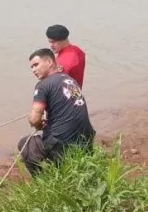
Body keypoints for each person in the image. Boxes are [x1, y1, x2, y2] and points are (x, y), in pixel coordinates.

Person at [17, 48, 96, 177]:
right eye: (31, 67)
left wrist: (37, 124)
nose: (33, 70)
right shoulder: (69, 79)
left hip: (63, 144)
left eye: (36, 65)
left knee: (26, 144)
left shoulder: (43, 85)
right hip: (86, 140)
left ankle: (44, 181)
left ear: (49, 62)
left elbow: (34, 119)